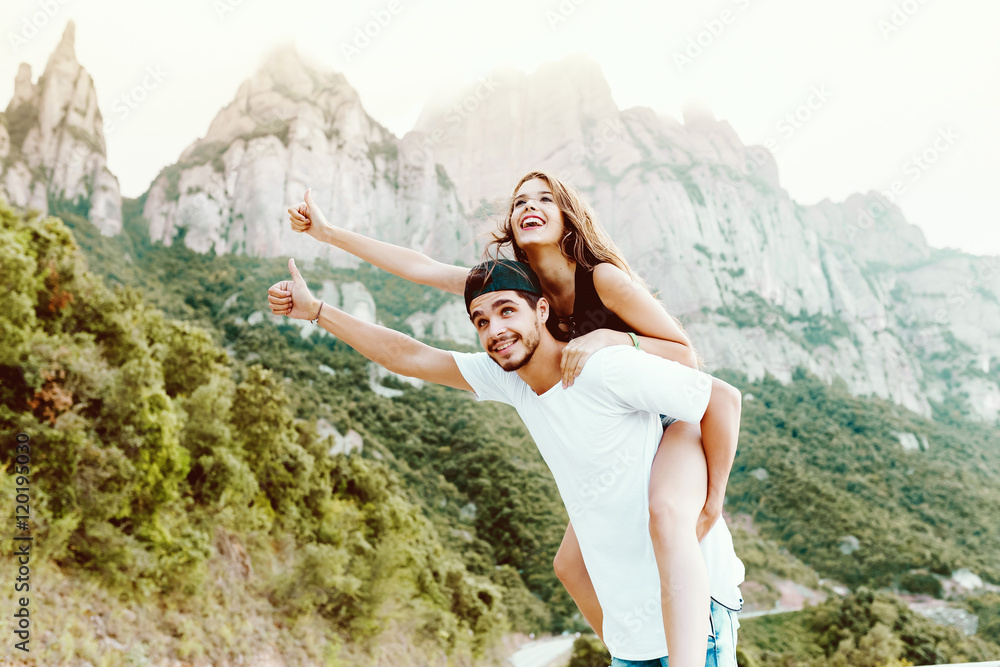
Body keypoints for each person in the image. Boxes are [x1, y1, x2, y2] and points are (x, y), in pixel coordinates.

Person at [286, 172, 740, 667]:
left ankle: (684, 644)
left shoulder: (601, 280)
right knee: (569, 564)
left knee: (668, 514)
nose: (531, 206)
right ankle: (629, 648)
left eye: (545, 198)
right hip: (608, 417)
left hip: (667, 412)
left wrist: (615, 339)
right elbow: (419, 283)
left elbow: (688, 360)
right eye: (520, 200)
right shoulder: (508, 290)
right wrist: (328, 240)